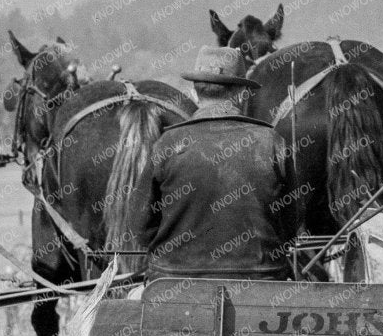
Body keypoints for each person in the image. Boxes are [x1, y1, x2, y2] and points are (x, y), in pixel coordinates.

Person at [124, 46, 297, 280]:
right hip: (262, 280)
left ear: (195, 93)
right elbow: (292, 222)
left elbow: (141, 228)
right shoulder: (271, 141)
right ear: (242, 94)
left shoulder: (168, 143)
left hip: (173, 282)